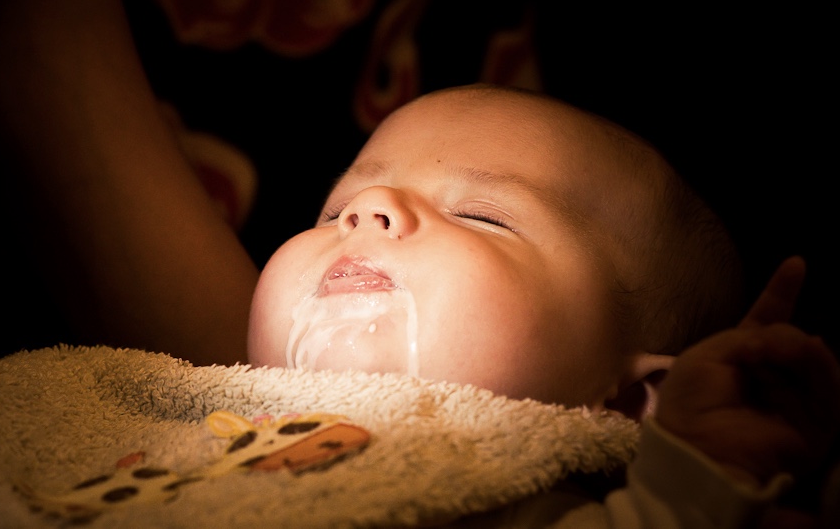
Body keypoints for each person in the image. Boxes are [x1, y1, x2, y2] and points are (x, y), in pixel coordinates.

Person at [246, 83, 840, 526]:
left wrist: (699, 471)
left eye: (479, 216)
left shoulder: (510, 510)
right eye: (336, 210)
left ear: (627, 402)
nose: (369, 207)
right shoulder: (169, 406)